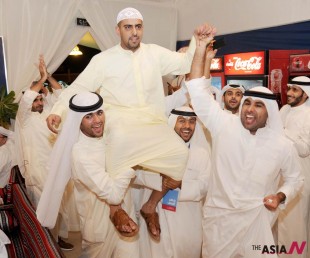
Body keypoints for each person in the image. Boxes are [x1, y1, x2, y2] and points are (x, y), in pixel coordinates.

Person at [44, 7, 216, 240]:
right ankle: (116, 210)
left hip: (153, 122)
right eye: (128, 27)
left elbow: (186, 63)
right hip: (120, 122)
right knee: (120, 146)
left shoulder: (154, 53)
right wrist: (58, 111)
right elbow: (77, 88)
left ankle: (150, 206)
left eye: (138, 26)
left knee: (179, 157)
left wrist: (198, 42)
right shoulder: (102, 60)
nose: (134, 32)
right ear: (118, 30)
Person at [184, 32, 304, 257]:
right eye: (247, 102)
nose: (249, 108)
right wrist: (201, 52)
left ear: (269, 112)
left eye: (258, 105)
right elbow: (198, 93)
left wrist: (280, 196)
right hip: (219, 222)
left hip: (256, 221)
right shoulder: (223, 125)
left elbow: (296, 179)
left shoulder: (282, 145)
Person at [38, 91, 139, 257]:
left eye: (99, 113)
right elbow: (113, 195)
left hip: (126, 221)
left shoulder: (108, 137)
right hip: (99, 230)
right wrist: (130, 163)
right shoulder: (80, 154)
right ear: (78, 121)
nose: (97, 120)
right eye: (89, 116)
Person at [15, 56, 73, 250]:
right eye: (36, 98)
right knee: (41, 211)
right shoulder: (24, 119)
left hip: (56, 168)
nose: (39, 101)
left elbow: (62, 95)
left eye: (41, 98)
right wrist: (39, 81)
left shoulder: (49, 111)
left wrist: (48, 76)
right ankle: (44, 245)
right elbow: (26, 100)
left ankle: (57, 239)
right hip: (38, 172)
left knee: (59, 208)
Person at [136, 106, 211, 258]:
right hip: (159, 215)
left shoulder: (201, 154)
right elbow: (136, 175)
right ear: (172, 123)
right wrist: (162, 178)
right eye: (181, 121)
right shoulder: (154, 150)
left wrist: (181, 184)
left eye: (192, 122)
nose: (187, 126)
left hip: (187, 219)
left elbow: (205, 186)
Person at [276, 76, 310, 258]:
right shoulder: (285, 110)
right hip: (280, 175)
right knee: (280, 222)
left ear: (305, 94)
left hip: (301, 178)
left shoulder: (309, 114)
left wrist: (282, 132)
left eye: (295, 90)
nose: (289, 93)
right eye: (289, 88)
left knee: (295, 224)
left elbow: (304, 149)